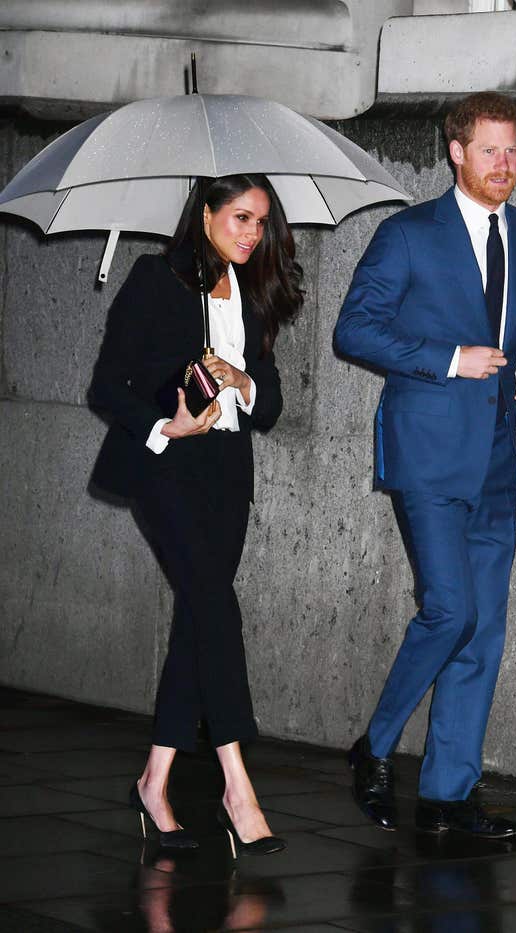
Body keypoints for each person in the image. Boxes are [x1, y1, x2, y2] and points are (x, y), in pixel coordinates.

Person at [334, 92, 516, 839]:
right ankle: (374, 744)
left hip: (500, 459)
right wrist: (447, 359)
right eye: (490, 150)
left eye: (514, 151)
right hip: (430, 457)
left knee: (483, 633)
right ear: (457, 152)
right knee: (451, 610)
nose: (505, 165)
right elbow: (354, 329)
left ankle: (446, 799)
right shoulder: (408, 235)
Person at [90, 174, 303, 856]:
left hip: (226, 474)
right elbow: (105, 385)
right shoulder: (157, 280)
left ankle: (155, 780)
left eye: (261, 222)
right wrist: (165, 424)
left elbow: (268, 407)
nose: (251, 233)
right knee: (216, 606)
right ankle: (238, 787)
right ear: (205, 213)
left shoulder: (253, 291)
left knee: (198, 619)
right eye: (240, 217)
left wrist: (243, 379)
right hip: (166, 468)